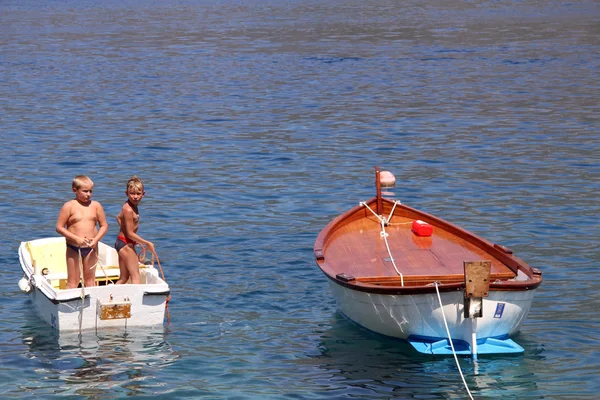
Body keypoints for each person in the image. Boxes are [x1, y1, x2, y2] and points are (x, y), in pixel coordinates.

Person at [56, 175, 108, 289]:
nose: (88, 194)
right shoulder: (69, 206)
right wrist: (76, 239)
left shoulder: (96, 206)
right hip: (73, 248)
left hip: (91, 247)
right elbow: (59, 227)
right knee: (72, 281)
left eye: (90, 191)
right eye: (85, 191)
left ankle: (91, 304)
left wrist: (96, 239)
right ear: (75, 190)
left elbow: (104, 225)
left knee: (90, 280)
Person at [115, 176, 155, 284]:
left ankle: (112, 296)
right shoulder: (127, 209)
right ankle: (135, 301)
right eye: (132, 193)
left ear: (143, 193)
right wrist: (147, 243)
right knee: (135, 276)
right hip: (125, 243)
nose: (135, 197)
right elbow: (129, 233)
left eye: (138, 194)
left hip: (122, 241)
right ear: (126, 193)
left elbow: (118, 218)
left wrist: (130, 236)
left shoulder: (132, 206)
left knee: (123, 278)